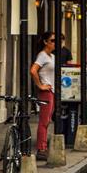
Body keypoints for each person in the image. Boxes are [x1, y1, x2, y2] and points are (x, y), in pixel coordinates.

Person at [30, 32, 55, 161]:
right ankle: (41, 148)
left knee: (47, 121)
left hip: (52, 92)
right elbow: (33, 70)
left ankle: (43, 146)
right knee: (44, 121)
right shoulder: (42, 55)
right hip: (46, 91)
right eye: (52, 40)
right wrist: (40, 85)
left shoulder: (52, 57)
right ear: (45, 42)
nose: (55, 43)